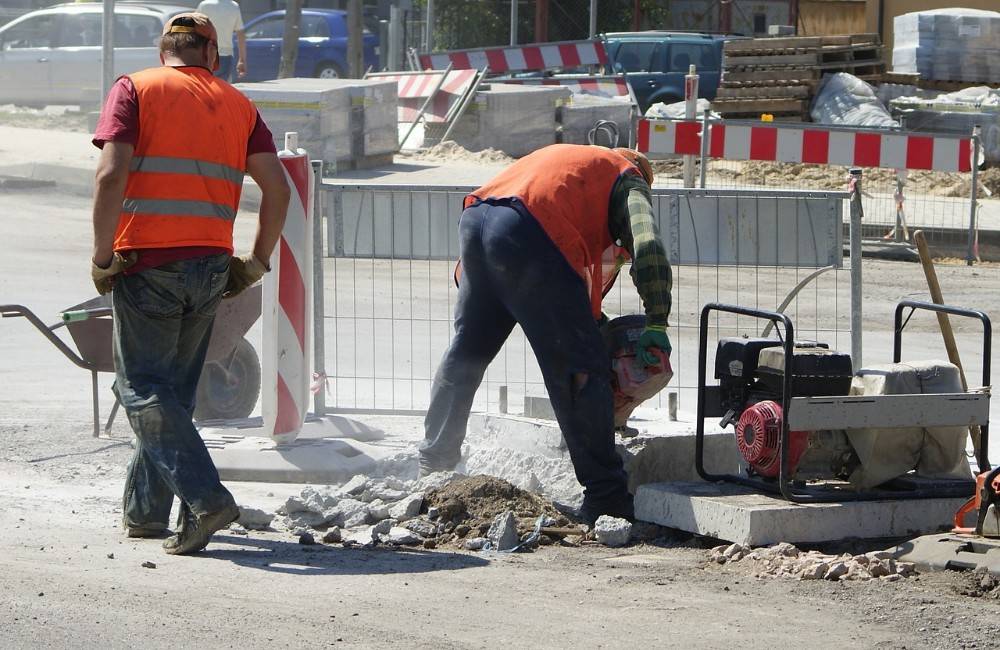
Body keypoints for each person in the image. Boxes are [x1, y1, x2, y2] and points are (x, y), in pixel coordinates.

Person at [89, 12, 289, 555]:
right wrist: (257, 261)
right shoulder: (239, 104)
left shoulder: (135, 88)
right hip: (211, 265)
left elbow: (111, 175)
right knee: (171, 394)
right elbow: (278, 188)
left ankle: (206, 499)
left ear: (164, 51)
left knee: (140, 389)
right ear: (212, 57)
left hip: (148, 263)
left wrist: (103, 256)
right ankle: (146, 515)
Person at [420, 144, 672, 524]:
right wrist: (657, 320)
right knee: (579, 371)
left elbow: (573, 289)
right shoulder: (628, 178)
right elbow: (648, 245)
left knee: (466, 353)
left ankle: (434, 469)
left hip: (478, 223)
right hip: (532, 230)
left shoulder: (572, 168)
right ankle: (606, 497)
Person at [196, 0, 247, 81]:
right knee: (222, 89)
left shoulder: (204, 5)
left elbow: (194, 29)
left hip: (206, 54)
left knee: (204, 88)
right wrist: (242, 60)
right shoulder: (233, 6)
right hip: (225, 56)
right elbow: (240, 33)